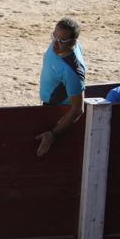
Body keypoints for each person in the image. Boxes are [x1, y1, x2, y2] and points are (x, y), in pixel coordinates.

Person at [36, 16, 86, 157]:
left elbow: (77, 109)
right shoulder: (59, 45)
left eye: (62, 41)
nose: (55, 44)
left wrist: (53, 133)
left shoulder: (72, 71)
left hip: (57, 112)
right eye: (54, 36)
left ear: (73, 42)